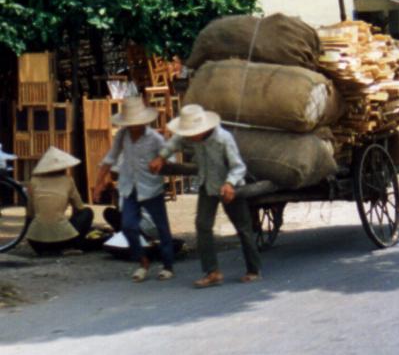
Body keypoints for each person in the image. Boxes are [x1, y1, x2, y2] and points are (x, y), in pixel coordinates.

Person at [149, 104, 261, 288]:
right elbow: (175, 142)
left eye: (193, 132)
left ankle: (254, 270)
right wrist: (161, 157)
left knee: (243, 228)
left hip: (229, 188)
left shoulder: (223, 139)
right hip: (206, 185)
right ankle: (212, 272)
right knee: (202, 225)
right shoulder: (190, 138)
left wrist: (230, 183)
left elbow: (238, 166)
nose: (191, 136)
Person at [93, 97, 175, 282]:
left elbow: (170, 157)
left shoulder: (154, 138)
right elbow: (110, 158)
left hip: (151, 188)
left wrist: (160, 160)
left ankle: (167, 265)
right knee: (128, 226)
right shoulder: (122, 135)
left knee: (162, 228)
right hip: (129, 187)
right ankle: (142, 260)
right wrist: (98, 184)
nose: (132, 127)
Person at [25, 147, 94, 255]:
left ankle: (47, 249)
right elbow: (80, 207)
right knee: (87, 212)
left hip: (36, 242)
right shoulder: (68, 180)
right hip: (64, 240)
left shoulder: (34, 181)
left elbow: (30, 212)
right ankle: (69, 247)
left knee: (36, 220)